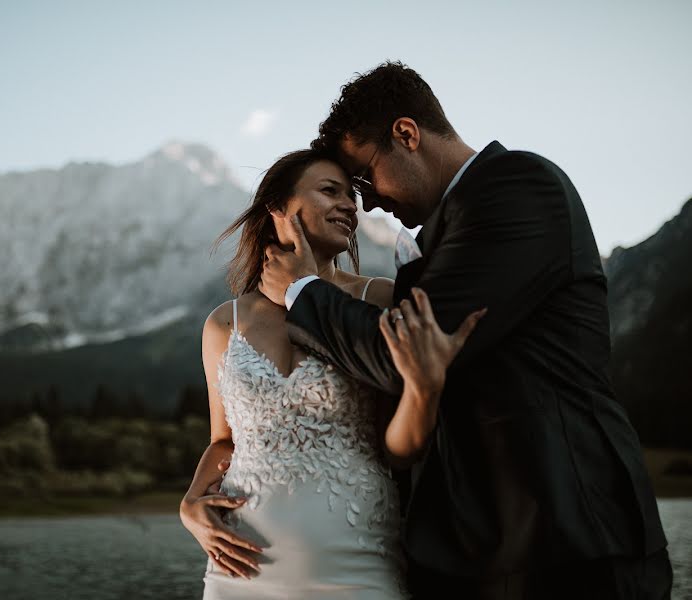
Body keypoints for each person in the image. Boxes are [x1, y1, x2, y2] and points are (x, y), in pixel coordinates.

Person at [258, 61, 673, 599]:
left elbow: (399, 357)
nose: (369, 203)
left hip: (566, 543)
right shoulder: (448, 227)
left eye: (364, 179)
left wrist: (302, 290)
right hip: (472, 555)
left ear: (406, 134)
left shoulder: (519, 187)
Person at [179, 148, 484, 599]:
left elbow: (399, 450)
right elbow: (224, 441)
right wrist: (189, 505)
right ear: (278, 208)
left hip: (356, 563)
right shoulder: (226, 323)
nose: (350, 205)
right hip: (238, 568)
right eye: (330, 191)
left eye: (352, 197)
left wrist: (424, 389)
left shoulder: (378, 299)